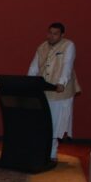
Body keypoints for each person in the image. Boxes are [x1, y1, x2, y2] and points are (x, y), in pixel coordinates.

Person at [28, 22, 80, 160]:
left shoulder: (68, 45)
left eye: (55, 33)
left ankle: (52, 154)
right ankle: (42, 151)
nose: (51, 36)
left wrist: (61, 83)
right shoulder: (42, 47)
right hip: (44, 91)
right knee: (44, 122)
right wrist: (28, 82)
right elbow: (34, 67)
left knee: (56, 124)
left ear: (62, 35)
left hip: (60, 93)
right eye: (50, 33)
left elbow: (67, 66)